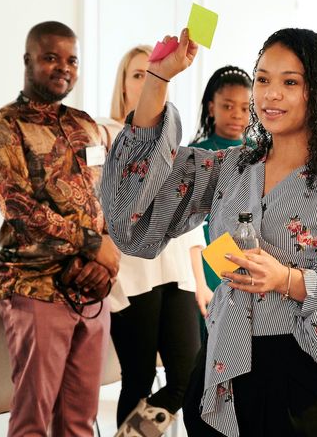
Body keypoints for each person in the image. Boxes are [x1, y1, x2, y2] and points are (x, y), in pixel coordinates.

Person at [101, 27, 317, 437]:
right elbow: (139, 197)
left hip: (306, 384)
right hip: (223, 373)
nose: (271, 94)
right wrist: (158, 79)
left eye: (290, 82)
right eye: (263, 79)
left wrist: (291, 280)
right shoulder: (231, 168)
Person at [0, 21, 120, 436]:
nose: (63, 67)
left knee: (79, 421)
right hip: (36, 289)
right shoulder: (4, 127)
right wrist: (95, 245)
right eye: (51, 57)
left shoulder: (87, 126)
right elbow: (20, 209)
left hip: (91, 289)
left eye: (71, 59)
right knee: (33, 423)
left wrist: (105, 255)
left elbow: (108, 197)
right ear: (28, 61)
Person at [97, 45, 209, 437]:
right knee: (139, 377)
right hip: (130, 274)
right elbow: (98, 203)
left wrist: (200, 281)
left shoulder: (172, 138)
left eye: (153, 74)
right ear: (124, 86)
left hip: (175, 269)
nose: (146, 82)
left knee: (186, 373)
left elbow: (188, 209)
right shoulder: (105, 133)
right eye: (137, 75)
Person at [188, 66, 252, 295]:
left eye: (245, 108)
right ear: (212, 107)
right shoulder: (196, 152)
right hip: (207, 245)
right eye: (228, 106)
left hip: (250, 244)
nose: (237, 114)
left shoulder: (261, 152)